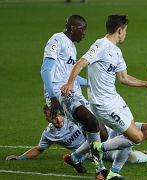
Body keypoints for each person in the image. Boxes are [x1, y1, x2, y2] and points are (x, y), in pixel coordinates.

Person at [60, 15, 147, 179]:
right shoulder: (101, 45)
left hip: (115, 100)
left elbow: (125, 79)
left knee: (131, 134)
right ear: (120, 30)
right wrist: (70, 83)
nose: (125, 34)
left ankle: (102, 168)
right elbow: (81, 62)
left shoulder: (116, 52)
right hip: (102, 104)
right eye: (125, 30)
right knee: (136, 137)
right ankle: (98, 148)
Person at [6, 104, 147, 175]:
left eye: (59, 115)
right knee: (136, 158)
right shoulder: (50, 134)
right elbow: (39, 148)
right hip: (106, 148)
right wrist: (22, 158)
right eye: (54, 118)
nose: (59, 121)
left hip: (116, 130)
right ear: (48, 118)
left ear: (62, 112)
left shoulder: (76, 115)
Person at [40, 14, 107, 178]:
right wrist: (53, 96)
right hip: (60, 93)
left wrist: (93, 83)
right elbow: (46, 69)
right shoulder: (57, 39)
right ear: (73, 27)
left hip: (74, 92)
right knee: (90, 122)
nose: (84, 33)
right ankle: (101, 169)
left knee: (103, 134)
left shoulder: (72, 47)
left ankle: (75, 158)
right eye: (83, 29)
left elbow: (72, 77)